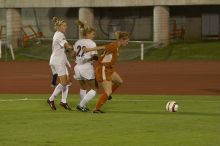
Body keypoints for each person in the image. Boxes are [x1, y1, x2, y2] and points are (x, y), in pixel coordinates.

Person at [84, 31, 129, 113]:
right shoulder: (114, 46)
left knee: (119, 81)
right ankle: (96, 109)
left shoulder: (117, 46)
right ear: (122, 40)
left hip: (109, 69)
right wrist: (88, 49)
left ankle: (107, 96)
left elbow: (105, 53)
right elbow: (102, 47)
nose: (127, 42)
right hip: (103, 69)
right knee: (108, 91)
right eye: (126, 41)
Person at [47, 17, 73, 111]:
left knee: (67, 82)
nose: (65, 27)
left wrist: (68, 62)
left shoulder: (59, 34)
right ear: (59, 27)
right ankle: (51, 99)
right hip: (57, 61)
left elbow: (65, 48)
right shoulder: (59, 35)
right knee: (64, 82)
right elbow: (66, 46)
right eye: (64, 25)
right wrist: (72, 50)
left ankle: (63, 101)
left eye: (66, 25)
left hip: (60, 60)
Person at [73, 20, 98, 112]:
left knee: (83, 87)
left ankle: (83, 106)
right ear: (87, 34)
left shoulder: (77, 42)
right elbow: (94, 57)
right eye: (92, 34)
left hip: (77, 67)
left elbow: (72, 55)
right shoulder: (91, 43)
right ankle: (81, 105)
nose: (93, 35)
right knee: (94, 88)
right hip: (86, 66)